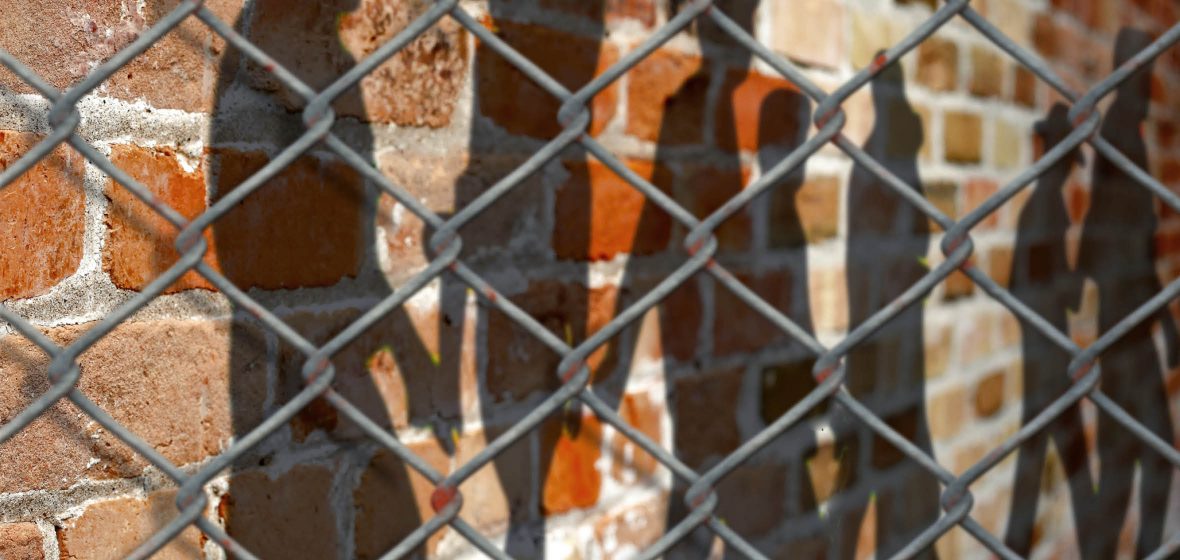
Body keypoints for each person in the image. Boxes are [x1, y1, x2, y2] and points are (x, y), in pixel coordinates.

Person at [828, 57, 941, 560]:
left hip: (897, 345)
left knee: (888, 473)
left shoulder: (894, 158)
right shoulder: (878, 165)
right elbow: (871, 265)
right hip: (881, 347)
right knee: (875, 471)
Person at [1078, 27, 1177, 560]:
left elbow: (1119, 244)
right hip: (1125, 334)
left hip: (1130, 326)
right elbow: (1116, 248)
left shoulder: (1124, 134)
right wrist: (1161, 323)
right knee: (1142, 458)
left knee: (1130, 460)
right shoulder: (1122, 136)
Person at [1003, 103, 1094, 556]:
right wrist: (1082, 271)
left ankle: (1016, 544)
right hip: (1049, 354)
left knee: (1042, 452)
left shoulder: (1042, 205)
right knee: (1055, 452)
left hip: (1048, 350)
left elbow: (1020, 284)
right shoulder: (1046, 209)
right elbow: (1048, 288)